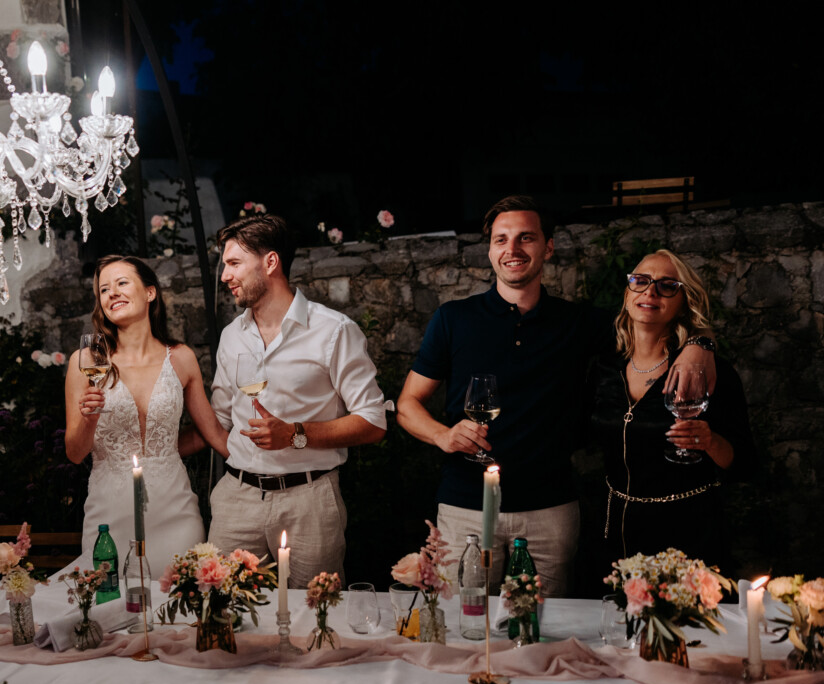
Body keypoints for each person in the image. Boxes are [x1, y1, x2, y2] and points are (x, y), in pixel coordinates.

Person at [396, 196, 716, 596]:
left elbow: (654, 327)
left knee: (545, 632)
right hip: (465, 509)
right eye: (501, 240)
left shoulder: (582, 323)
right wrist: (442, 435)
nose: (512, 250)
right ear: (490, 250)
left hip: (550, 512)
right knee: (465, 628)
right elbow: (408, 405)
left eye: (526, 238)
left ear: (548, 247)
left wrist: (700, 344)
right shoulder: (453, 318)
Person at [199, 215, 386, 588]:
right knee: (224, 613)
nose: (224, 275)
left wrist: (295, 435)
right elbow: (219, 417)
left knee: (314, 619)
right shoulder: (232, 335)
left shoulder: (334, 331)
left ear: (270, 263)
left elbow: (373, 421)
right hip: (236, 500)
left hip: (309, 502)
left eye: (234, 263)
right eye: (224, 265)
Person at [589, 250, 754, 570]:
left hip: (689, 533)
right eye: (640, 281)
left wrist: (709, 442)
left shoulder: (710, 370)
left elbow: (744, 463)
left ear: (683, 301)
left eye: (667, 286)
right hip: (616, 532)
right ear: (627, 293)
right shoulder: (603, 368)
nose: (650, 291)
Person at [65, 255, 229, 571]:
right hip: (109, 513)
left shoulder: (181, 358)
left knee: (182, 606)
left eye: (122, 283)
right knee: (111, 607)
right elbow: (74, 453)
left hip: (175, 511)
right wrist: (89, 419)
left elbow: (213, 435)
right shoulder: (86, 361)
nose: (111, 293)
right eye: (103, 290)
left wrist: (262, 468)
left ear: (150, 292)